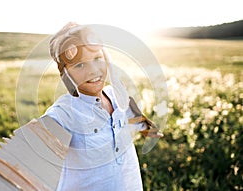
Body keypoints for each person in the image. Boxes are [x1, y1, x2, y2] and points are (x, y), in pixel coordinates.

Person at [42, 22, 162, 191]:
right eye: (80, 65)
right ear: (65, 73)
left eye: (97, 59)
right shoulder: (63, 114)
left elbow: (135, 117)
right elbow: (30, 159)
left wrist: (149, 130)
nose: (93, 71)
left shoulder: (116, 96)